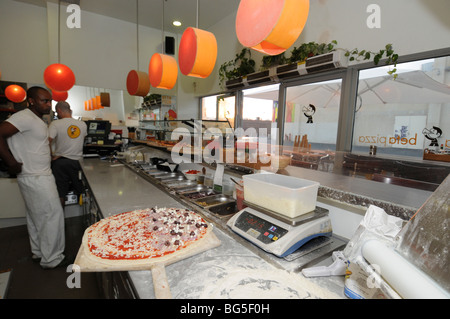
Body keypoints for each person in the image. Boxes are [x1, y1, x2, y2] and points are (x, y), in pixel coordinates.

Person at [0, 86, 69, 269]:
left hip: (35, 175)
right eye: (44, 101)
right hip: (36, 176)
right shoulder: (24, 117)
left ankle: (39, 253)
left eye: (50, 101)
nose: (49, 104)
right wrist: (10, 161)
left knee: (36, 216)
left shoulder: (36, 119)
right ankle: (53, 259)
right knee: (52, 215)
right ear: (31, 101)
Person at [48, 101, 87, 207]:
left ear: (59, 111)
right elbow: (81, 140)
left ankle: (60, 218)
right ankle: (86, 216)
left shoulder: (55, 124)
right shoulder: (82, 124)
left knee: (60, 193)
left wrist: (51, 156)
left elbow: (47, 141)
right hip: (78, 162)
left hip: (61, 163)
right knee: (82, 190)